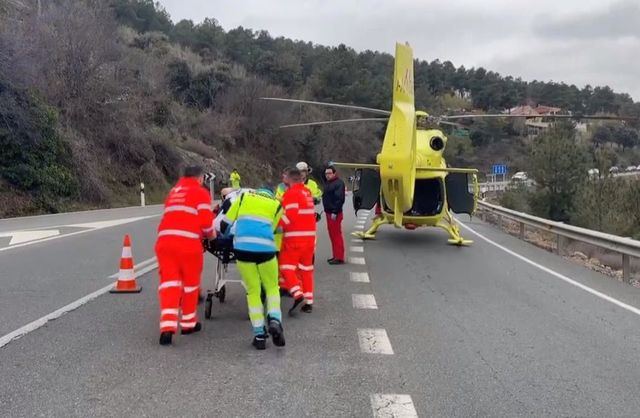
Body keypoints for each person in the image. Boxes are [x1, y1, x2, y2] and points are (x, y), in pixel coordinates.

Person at [155, 165, 215, 346]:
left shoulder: (174, 191)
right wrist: (212, 236)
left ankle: (167, 327)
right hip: (188, 245)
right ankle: (188, 323)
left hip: (164, 243)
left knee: (169, 284)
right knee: (190, 285)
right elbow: (206, 222)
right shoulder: (201, 192)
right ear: (201, 178)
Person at [222, 188, 286, 350]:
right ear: (271, 195)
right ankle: (274, 320)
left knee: (253, 291)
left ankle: (259, 335)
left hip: (243, 250)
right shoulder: (277, 205)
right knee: (272, 287)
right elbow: (272, 229)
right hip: (266, 250)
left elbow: (225, 224)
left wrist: (229, 237)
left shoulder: (243, 197)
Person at [279, 168, 317, 314]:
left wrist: (275, 227)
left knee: (286, 267)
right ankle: (308, 302)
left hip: (295, 238)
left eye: (284, 175)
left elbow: (290, 215)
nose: (282, 177)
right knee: (306, 270)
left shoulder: (291, 193)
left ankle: (297, 293)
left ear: (290, 179)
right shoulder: (306, 192)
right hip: (309, 238)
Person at [323, 165, 346, 264]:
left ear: (334, 173)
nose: (327, 175)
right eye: (326, 174)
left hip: (334, 213)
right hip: (329, 212)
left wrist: (335, 211)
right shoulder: (329, 183)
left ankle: (339, 257)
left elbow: (340, 198)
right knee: (332, 235)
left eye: (329, 173)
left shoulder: (338, 183)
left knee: (336, 235)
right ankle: (336, 255)